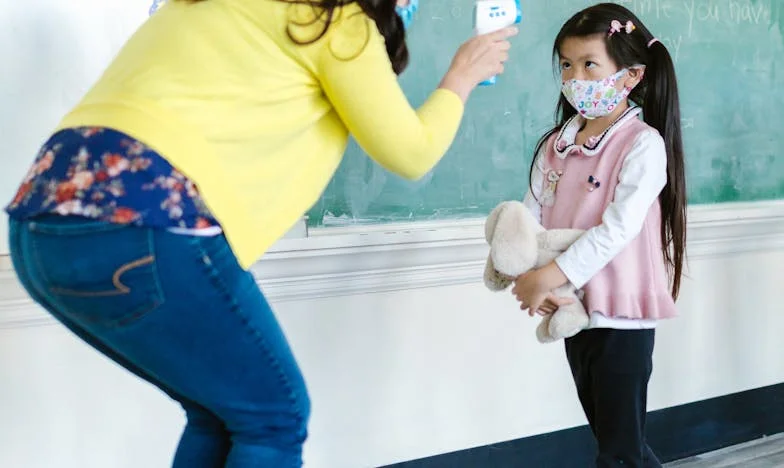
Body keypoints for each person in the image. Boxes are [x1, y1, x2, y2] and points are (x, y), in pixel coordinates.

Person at [4, 0, 517, 466]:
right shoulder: (334, 19)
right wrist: (461, 77)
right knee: (275, 416)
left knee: (219, 411)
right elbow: (411, 151)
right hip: (147, 225)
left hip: (38, 227)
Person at [511, 3, 686, 467]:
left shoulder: (642, 144)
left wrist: (551, 273)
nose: (576, 77)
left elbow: (619, 229)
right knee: (616, 442)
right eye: (567, 65)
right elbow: (532, 216)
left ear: (629, 76)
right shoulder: (557, 143)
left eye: (590, 64)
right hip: (571, 306)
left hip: (620, 313)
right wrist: (537, 275)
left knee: (620, 450)